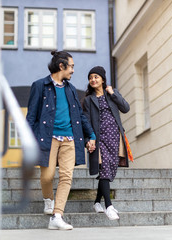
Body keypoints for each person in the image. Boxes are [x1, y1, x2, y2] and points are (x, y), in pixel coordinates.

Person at [26, 51, 96, 230]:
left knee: (66, 177)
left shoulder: (70, 88)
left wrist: (91, 135)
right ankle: (48, 199)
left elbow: (79, 115)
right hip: (47, 138)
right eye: (71, 66)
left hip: (70, 138)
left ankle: (57, 216)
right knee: (47, 175)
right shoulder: (40, 85)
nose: (73, 70)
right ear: (61, 66)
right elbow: (31, 116)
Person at [82, 66, 130, 220]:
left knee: (109, 171)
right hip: (99, 139)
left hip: (115, 138)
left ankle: (97, 201)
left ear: (103, 79)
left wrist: (113, 94)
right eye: (91, 78)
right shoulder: (88, 100)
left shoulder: (113, 94)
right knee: (104, 171)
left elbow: (126, 108)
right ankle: (109, 206)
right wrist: (89, 140)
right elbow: (86, 122)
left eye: (96, 77)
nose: (93, 80)